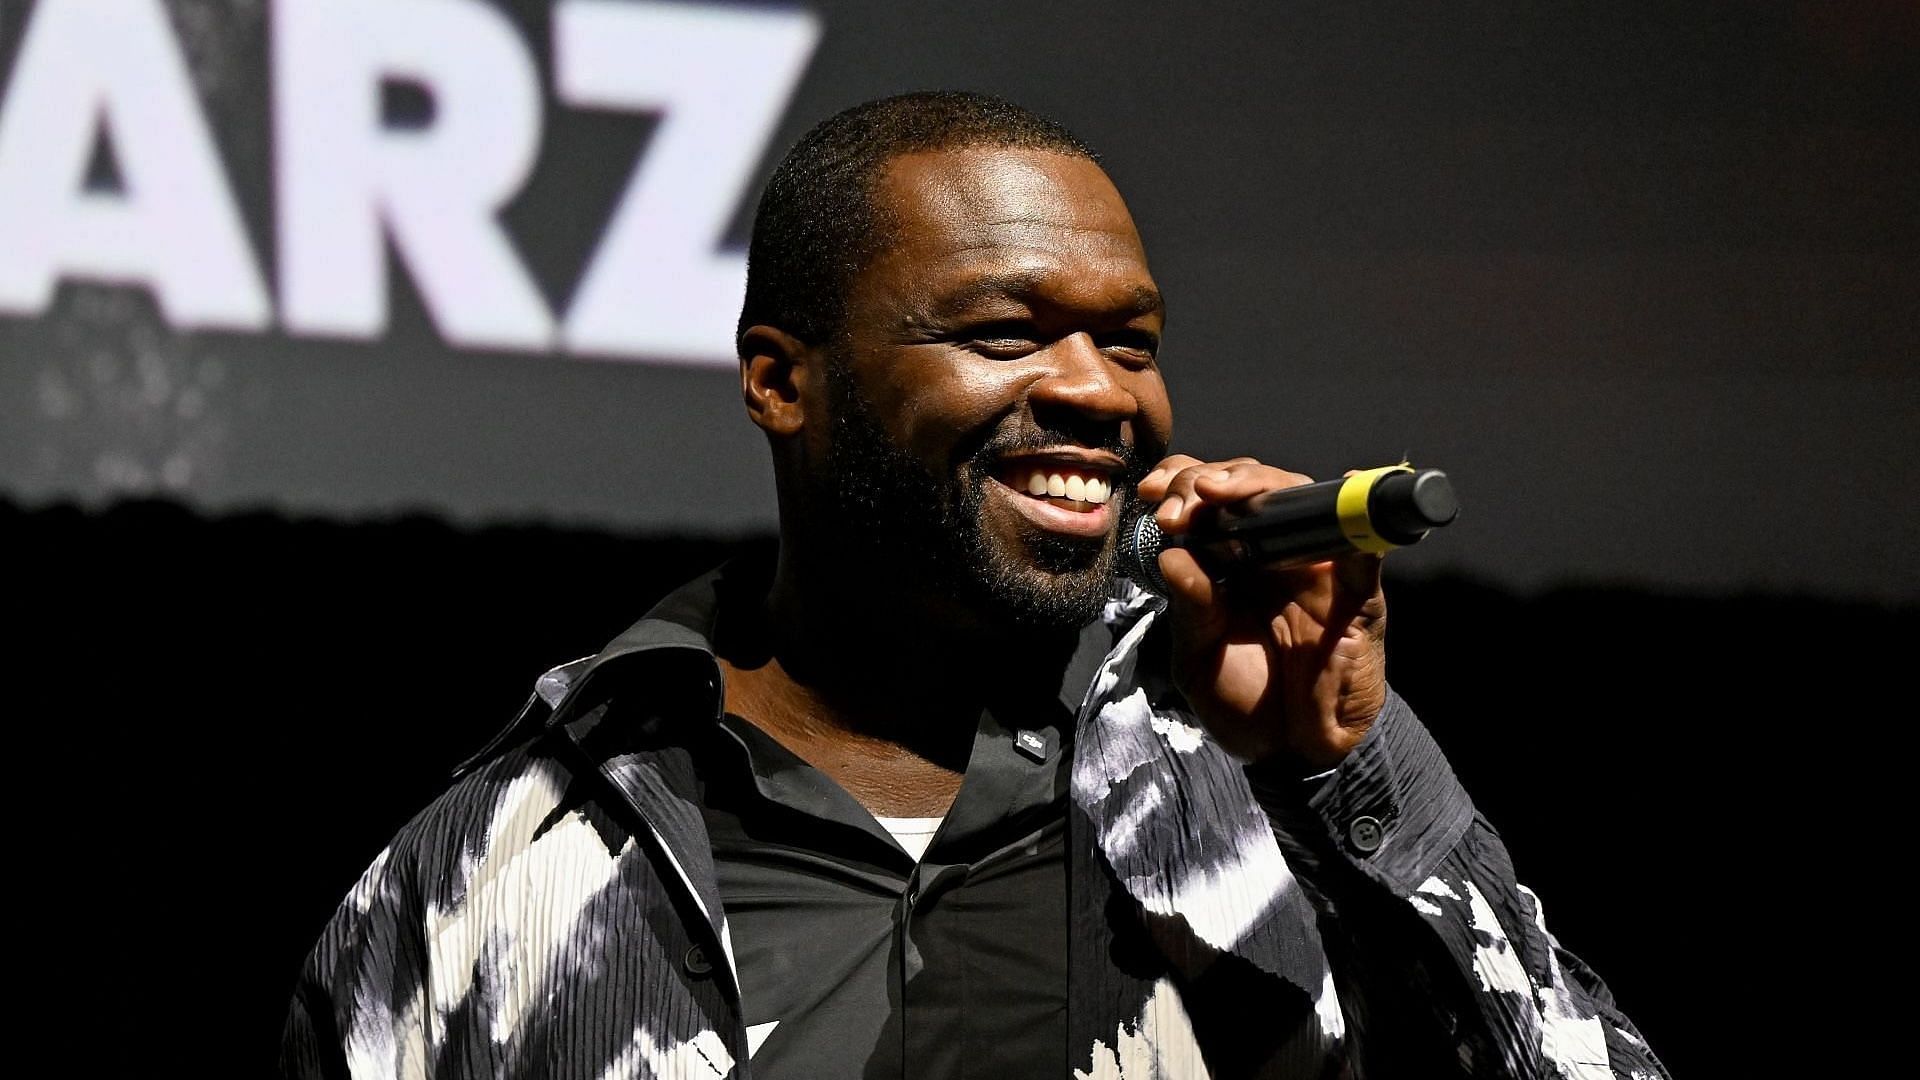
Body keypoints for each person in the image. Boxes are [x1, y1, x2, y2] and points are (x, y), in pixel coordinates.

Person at [281, 92, 1667, 1079]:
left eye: (1129, 343)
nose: (1092, 391)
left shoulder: (1265, 801)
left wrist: (1347, 762)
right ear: (782, 380)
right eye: (1006, 332)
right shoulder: (500, 867)